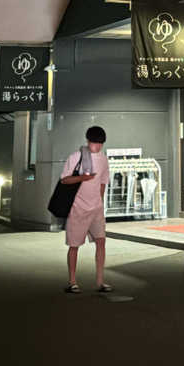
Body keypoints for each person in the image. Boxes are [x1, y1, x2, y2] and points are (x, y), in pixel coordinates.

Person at [61, 125, 112, 294]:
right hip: (77, 208)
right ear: (88, 141)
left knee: (101, 241)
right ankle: (72, 281)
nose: (97, 147)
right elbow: (64, 180)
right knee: (74, 245)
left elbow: (103, 181)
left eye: (100, 144)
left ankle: (100, 281)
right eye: (95, 143)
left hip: (96, 208)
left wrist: (100, 201)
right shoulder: (76, 157)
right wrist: (83, 177)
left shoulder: (104, 159)